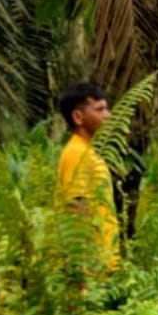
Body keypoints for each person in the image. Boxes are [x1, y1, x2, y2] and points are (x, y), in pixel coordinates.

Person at [55, 82, 120, 269]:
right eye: (100, 110)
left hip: (102, 265)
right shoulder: (76, 153)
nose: (108, 116)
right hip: (90, 269)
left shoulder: (89, 152)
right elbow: (77, 207)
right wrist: (81, 266)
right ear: (78, 117)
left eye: (106, 109)